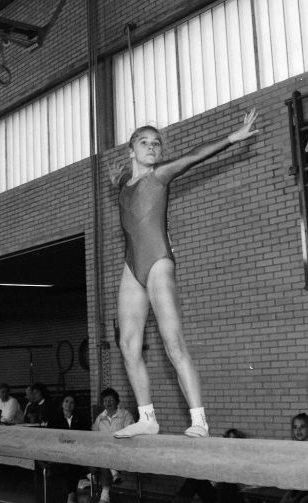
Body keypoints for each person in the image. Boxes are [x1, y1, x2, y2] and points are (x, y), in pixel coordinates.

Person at [111, 109, 260, 438]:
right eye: (144, 142)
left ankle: (199, 421)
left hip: (158, 263)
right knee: (128, 345)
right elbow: (127, 190)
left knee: (173, 343)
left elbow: (193, 157)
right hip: (132, 266)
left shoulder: (159, 175)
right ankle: (147, 418)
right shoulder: (124, 182)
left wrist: (232, 138)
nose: (152, 147)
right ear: (131, 150)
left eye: (157, 143)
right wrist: (117, 175)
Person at [159, 428, 245, 503]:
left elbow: (242, 485)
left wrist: (220, 480)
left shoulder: (241, 458)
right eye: (227, 439)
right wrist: (212, 478)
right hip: (216, 501)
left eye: (232, 440)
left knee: (227, 481)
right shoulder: (219, 456)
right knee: (197, 476)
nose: (228, 443)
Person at [260, 414, 308, 503]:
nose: (298, 431)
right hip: (295, 489)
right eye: (295, 427)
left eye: (302, 427)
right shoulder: (292, 448)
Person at [90, 387, 135, 503]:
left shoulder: (125, 415)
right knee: (103, 457)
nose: (108, 403)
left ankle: (105, 496)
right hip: (104, 451)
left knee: (103, 460)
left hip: (122, 450)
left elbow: (130, 433)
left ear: (116, 401)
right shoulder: (100, 417)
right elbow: (93, 435)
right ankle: (113, 474)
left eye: (111, 400)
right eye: (105, 400)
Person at [49, 392, 90, 503]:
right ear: (62, 403)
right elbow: (51, 438)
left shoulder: (81, 419)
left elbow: (85, 437)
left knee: (73, 464)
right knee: (70, 465)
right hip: (59, 453)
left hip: (77, 452)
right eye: (66, 401)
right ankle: (71, 495)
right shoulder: (54, 419)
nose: (69, 404)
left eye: (72, 402)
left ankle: (71, 495)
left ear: (75, 405)